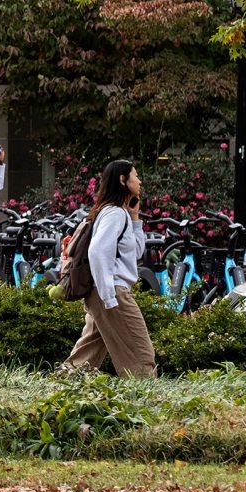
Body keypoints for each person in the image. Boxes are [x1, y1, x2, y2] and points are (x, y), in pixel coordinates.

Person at [64, 158, 156, 378]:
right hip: (112, 292)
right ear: (123, 180)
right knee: (140, 353)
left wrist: (134, 218)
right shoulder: (114, 213)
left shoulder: (117, 213)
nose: (140, 181)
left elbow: (134, 253)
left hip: (104, 293)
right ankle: (147, 401)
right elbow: (97, 251)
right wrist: (109, 297)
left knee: (86, 355)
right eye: (135, 176)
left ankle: (59, 389)